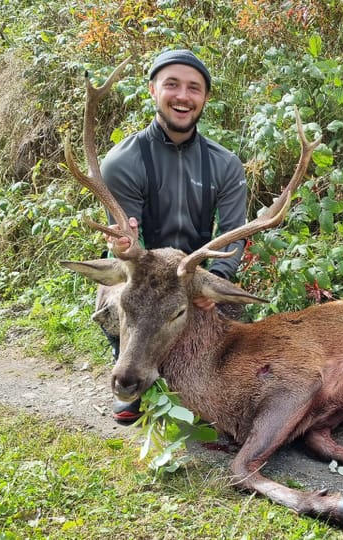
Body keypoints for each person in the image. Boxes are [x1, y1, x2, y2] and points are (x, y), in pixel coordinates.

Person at [97, 49, 249, 425]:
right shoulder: (122, 162)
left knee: (232, 309)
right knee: (118, 297)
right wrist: (124, 248)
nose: (183, 96)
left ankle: (206, 382)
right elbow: (126, 241)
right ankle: (132, 377)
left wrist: (221, 278)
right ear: (153, 91)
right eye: (172, 85)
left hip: (193, 272)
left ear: (205, 98)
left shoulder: (224, 164)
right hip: (145, 273)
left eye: (193, 88)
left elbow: (232, 236)